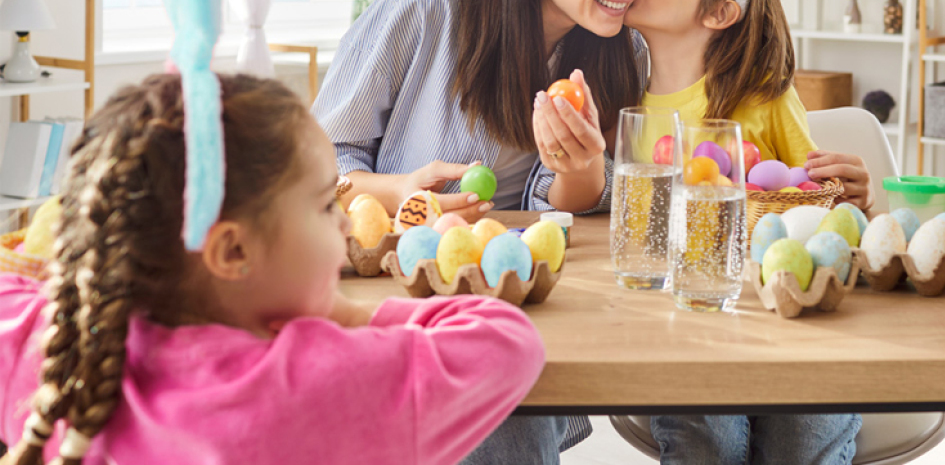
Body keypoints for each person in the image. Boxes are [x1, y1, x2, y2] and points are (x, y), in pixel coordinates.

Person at [313, 0, 683, 461]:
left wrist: (579, 174)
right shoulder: (426, 10)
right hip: (396, 291)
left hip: (512, 302)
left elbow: (571, 210)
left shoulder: (622, 50)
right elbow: (316, 162)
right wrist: (399, 191)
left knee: (503, 416)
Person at [0, 72, 545, 464]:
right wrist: (349, 315)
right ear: (233, 252)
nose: (346, 225)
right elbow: (507, 342)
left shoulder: (56, 344)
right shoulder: (317, 381)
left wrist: (86, 268)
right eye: (323, 205)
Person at [621, 0, 864, 464]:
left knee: (805, 435)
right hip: (686, 322)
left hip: (781, 318)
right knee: (708, 437)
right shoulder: (623, 101)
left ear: (720, 12)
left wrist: (854, 197)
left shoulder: (762, 97)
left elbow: (818, 202)